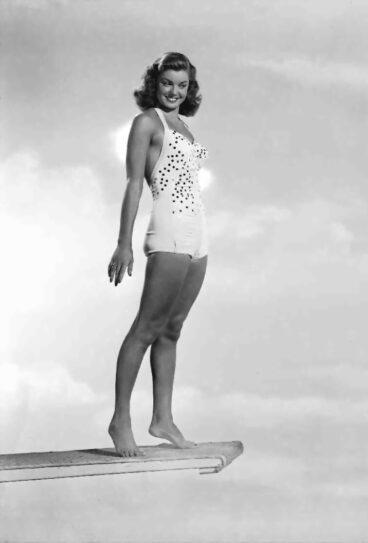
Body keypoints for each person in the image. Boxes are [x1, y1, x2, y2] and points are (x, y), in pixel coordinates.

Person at [107, 52, 209, 457]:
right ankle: (120, 420)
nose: (174, 91)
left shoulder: (184, 126)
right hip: (167, 231)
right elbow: (134, 183)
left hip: (197, 234)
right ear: (156, 83)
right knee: (146, 329)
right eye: (168, 83)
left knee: (172, 330)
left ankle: (162, 419)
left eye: (182, 85)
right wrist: (123, 243)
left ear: (190, 89)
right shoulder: (147, 123)